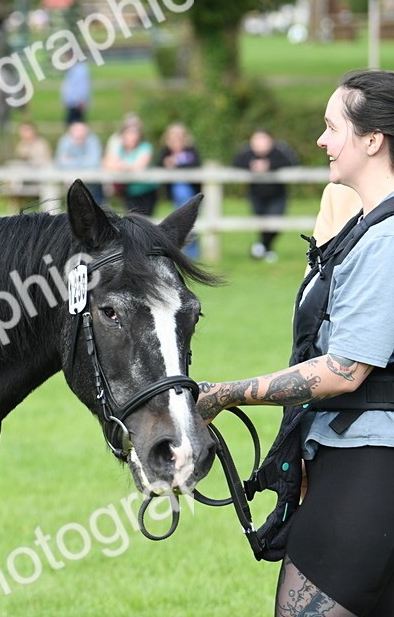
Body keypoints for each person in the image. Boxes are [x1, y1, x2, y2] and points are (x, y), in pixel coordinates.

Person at [197, 69, 394, 616]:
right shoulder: (366, 224)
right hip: (353, 457)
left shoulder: (387, 239)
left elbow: (345, 370)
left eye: (332, 128)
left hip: (370, 467)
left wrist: (224, 394)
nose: (322, 141)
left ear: (372, 140)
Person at [232, 128, 299, 262]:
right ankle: (266, 249)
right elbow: (235, 163)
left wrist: (269, 165)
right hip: (256, 194)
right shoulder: (246, 151)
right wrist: (252, 166)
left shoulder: (280, 150)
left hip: (277, 194)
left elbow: (293, 163)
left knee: (275, 223)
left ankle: (261, 247)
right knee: (262, 224)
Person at [158, 122, 201, 257]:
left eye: (179, 137)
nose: (176, 140)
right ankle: (181, 254)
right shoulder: (165, 152)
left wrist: (176, 165)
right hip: (174, 195)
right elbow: (158, 164)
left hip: (190, 194)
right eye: (173, 137)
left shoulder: (191, 151)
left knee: (188, 223)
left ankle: (192, 255)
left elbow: (196, 165)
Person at [103, 114, 159, 215]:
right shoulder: (118, 147)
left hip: (145, 190)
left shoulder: (145, 146)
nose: (132, 137)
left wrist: (120, 165)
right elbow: (107, 164)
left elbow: (140, 166)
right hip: (129, 192)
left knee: (146, 222)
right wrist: (127, 166)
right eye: (129, 133)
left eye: (134, 134)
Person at [6, 121, 52, 210]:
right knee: (14, 174)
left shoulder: (41, 143)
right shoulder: (22, 144)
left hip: (39, 174)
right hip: (25, 175)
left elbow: (44, 161)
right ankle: (13, 205)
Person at [55, 119, 103, 202]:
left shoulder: (93, 140)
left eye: (82, 131)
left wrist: (72, 160)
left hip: (91, 179)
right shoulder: (65, 140)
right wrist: (84, 160)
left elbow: (94, 163)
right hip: (70, 178)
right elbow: (61, 162)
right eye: (77, 132)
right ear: (71, 132)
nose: (80, 134)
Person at [61, 58, 92, 124]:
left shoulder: (81, 69)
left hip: (77, 103)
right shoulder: (73, 68)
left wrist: (81, 100)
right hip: (72, 102)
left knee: (76, 124)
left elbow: (83, 86)